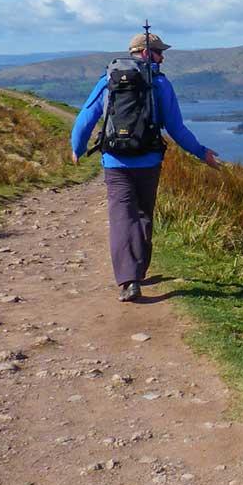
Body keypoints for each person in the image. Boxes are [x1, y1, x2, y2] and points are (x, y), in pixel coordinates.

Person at [71, 30, 221, 302]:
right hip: (149, 161)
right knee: (143, 215)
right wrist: (201, 152)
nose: (162, 58)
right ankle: (136, 271)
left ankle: (128, 280)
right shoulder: (160, 84)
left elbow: (85, 118)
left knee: (121, 217)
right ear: (143, 53)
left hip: (115, 161)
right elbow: (176, 128)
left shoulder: (107, 81)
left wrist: (77, 148)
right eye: (158, 52)